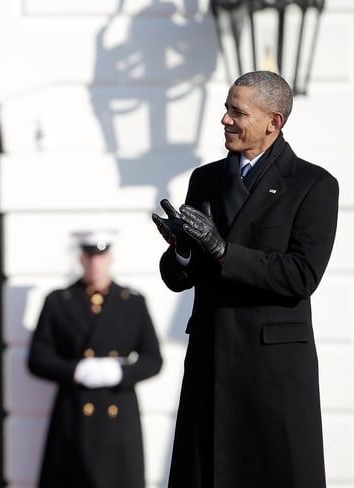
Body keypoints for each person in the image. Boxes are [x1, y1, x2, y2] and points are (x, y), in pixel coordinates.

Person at [152, 70, 338, 488]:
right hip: (211, 359)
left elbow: (300, 275)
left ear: (274, 122)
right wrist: (181, 249)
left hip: (272, 369)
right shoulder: (206, 179)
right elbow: (182, 277)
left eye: (237, 112)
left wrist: (222, 251)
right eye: (225, 109)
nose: (225, 120)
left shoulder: (314, 185)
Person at [27, 231, 163, 488]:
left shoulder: (132, 302)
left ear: (110, 258)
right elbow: (37, 358)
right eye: (89, 256)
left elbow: (153, 359)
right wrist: (74, 370)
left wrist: (119, 373)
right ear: (81, 259)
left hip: (118, 414)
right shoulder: (58, 301)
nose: (95, 263)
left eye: (100, 256)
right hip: (73, 415)